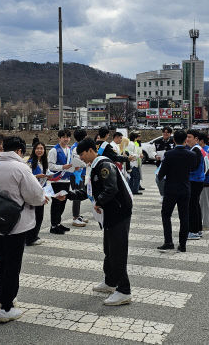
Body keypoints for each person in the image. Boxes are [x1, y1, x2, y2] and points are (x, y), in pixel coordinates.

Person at [0, 136, 47, 322]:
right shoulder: (21, 168)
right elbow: (36, 197)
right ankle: (7, 307)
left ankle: (4, 300)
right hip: (16, 224)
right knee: (12, 265)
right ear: (20, 151)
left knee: (4, 264)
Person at [61, 138, 134, 306]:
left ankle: (124, 290)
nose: (81, 158)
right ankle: (110, 281)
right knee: (109, 249)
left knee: (117, 252)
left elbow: (111, 189)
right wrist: (69, 195)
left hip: (118, 213)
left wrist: (99, 202)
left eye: (81, 154)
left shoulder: (103, 165)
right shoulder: (94, 166)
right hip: (110, 214)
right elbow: (90, 192)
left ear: (89, 151)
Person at [156, 130, 197, 252]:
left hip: (170, 189)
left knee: (166, 214)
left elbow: (161, 174)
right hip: (185, 188)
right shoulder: (191, 154)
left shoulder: (169, 154)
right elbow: (193, 168)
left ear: (174, 140)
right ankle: (182, 244)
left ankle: (168, 241)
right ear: (186, 140)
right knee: (184, 216)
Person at [48, 129, 76, 233]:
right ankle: (53, 226)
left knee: (63, 203)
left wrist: (74, 167)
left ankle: (58, 223)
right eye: (64, 137)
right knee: (56, 203)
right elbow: (50, 166)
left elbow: (70, 164)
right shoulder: (54, 150)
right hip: (57, 180)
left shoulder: (69, 149)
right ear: (59, 138)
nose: (66, 139)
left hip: (66, 179)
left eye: (68, 137)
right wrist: (63, 167)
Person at [26, 142, 49, 246]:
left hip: (41, 192)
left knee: (40, 215)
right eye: (37, 148)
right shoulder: (30, 163)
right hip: (32, 193)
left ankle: (34, 235)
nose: (39, 150)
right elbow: (27, 178)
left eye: (41, 148)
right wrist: (37, 176)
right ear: (34, 150)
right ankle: (30, 238)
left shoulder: (44, 162)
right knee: (33, 216)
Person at [186, 130, 206, 240]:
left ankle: (193, 231)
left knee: (192, 206)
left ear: (196, 139)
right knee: (195, 205)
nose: (187, 139)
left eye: (190, 137)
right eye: (187, 137)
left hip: (195, 181)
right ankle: (198, 229)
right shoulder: (197, 149)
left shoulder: (195, 150)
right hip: (197, 180)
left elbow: (194, 166)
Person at [70, 129, 90, 227]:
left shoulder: (78, 146)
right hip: (76, 175)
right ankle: (75, 217)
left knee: (80, 194)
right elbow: (77, 162)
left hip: (80, 174)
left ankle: (77, 215)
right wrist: (87, 163)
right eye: (86, 136)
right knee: (77, 194)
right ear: (83, 137)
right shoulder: (76, 148)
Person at [153, 126, 174, 201]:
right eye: (164, 132)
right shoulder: (157, 141)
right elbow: (153, 151)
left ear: (170, 134)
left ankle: (170, 195)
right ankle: (162, 194)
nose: (165, 134)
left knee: (170, 181)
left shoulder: (173, 141)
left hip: (171, 165)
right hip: (160, 164)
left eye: (167, 133)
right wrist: (155, 155)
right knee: (158, 179)